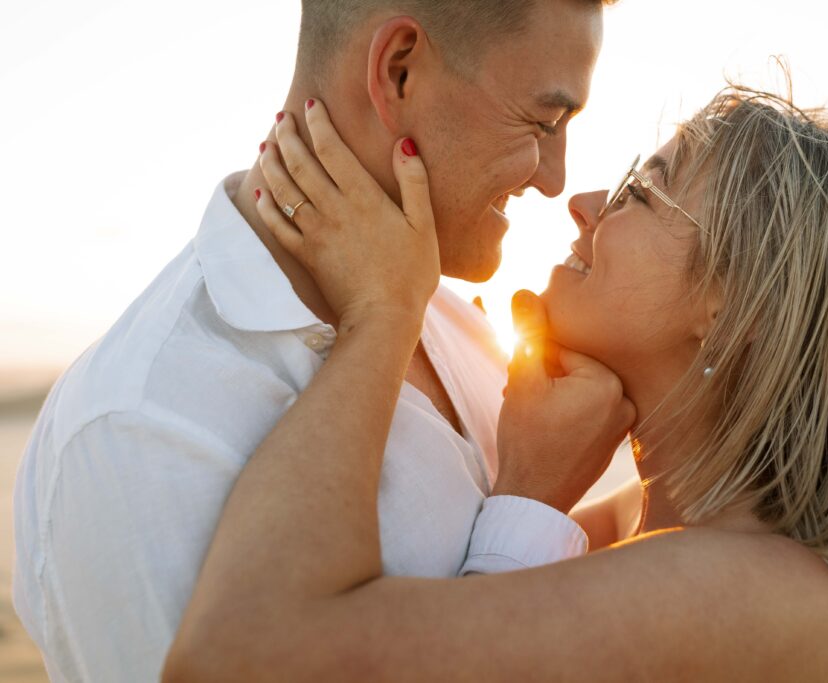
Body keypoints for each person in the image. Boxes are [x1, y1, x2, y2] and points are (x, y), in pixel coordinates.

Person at [165, 84, 828, 682]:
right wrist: (530, 492)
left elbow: (237, 657)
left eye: (645, 192)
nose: (584, 201)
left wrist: (382, 315)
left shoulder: (750, 594)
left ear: (736, 307)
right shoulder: (643, 535)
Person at [12, 2, 615, 680]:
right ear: (399, 72)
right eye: (544, 121)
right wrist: (532, 495)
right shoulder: (139, 425)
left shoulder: (457, 321)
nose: (555, 178)